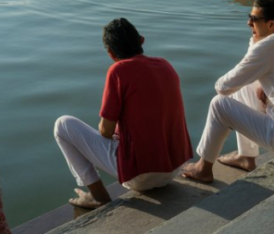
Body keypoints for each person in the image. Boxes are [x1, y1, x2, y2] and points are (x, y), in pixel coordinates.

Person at [182, 0, 274, 183]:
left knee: (219, 103)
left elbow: (222, 87)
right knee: (244, 87)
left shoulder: (265, 48)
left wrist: (254, 44)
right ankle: (246, 156)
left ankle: (203, 168)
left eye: (254, 18)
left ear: (271, 24)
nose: (248, 23)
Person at [53, 18, 192, 209]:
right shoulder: (165, 65)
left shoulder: (118, 71)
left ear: (110, 53)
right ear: (141, 40)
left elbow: (105, 132)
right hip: (174, 169)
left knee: (63, 125)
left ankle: (98, 196)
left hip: (140, 177)